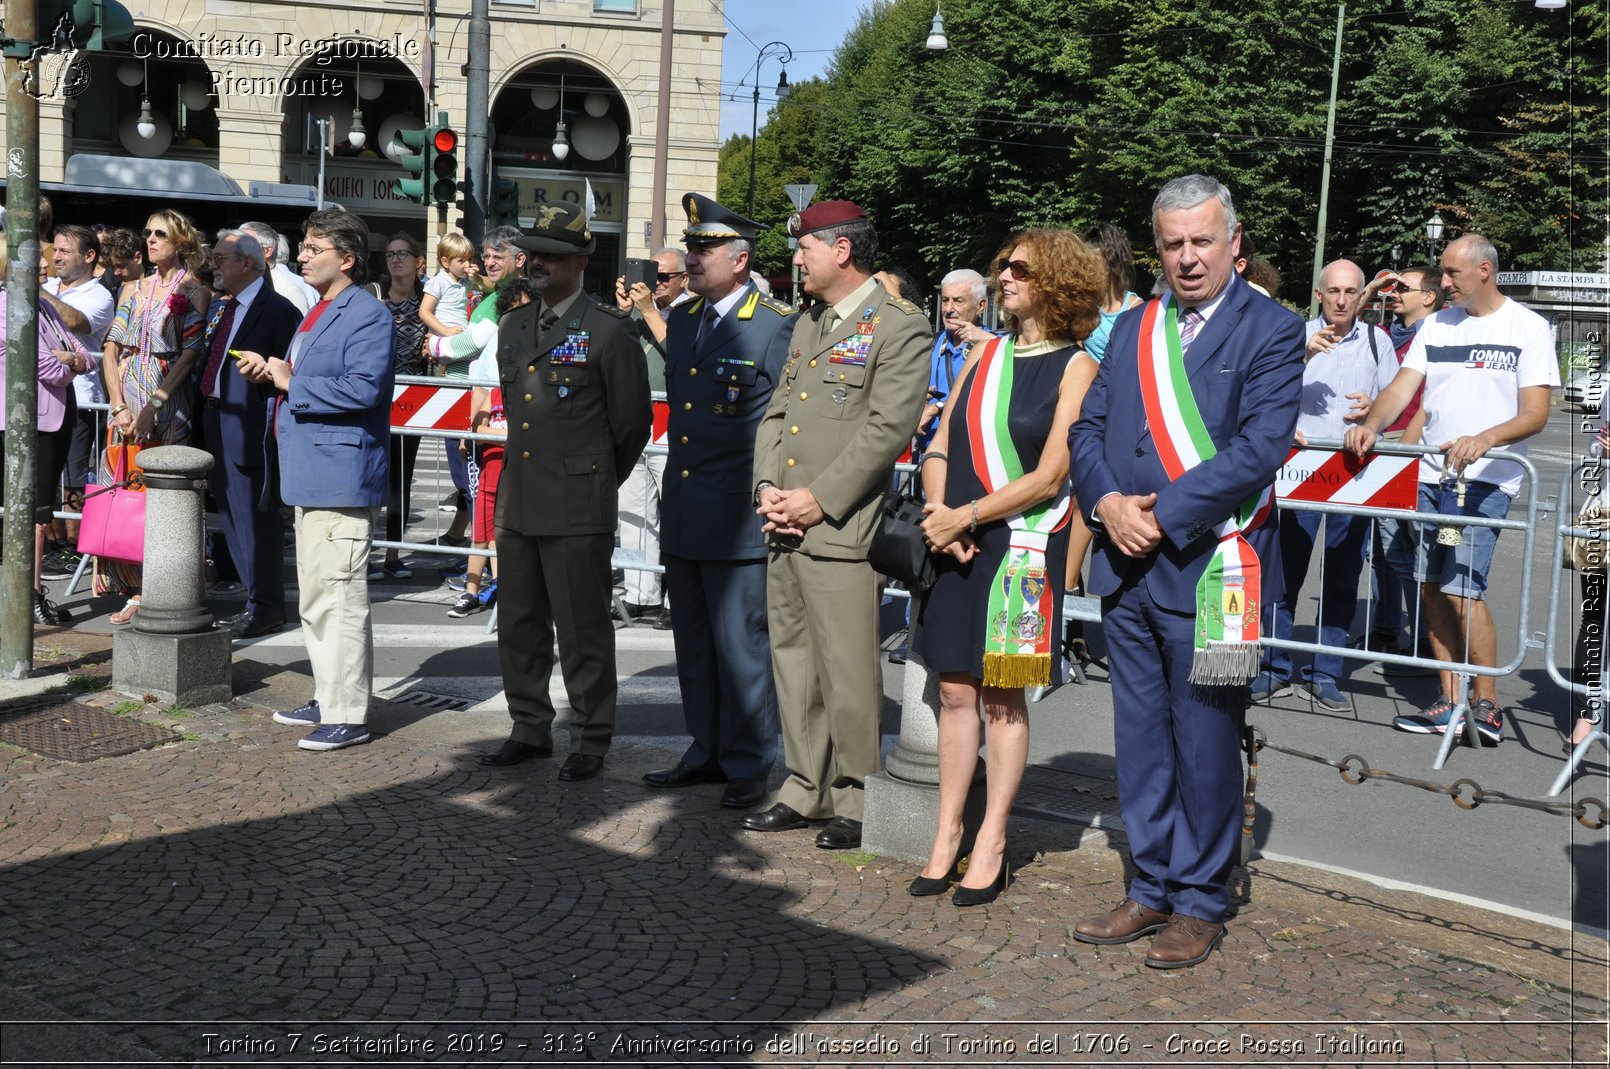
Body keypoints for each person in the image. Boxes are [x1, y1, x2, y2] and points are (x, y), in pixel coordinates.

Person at [1068, 174, 1303, 968]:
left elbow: (1260, 449)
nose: (1189, 258)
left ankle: (1201, 899)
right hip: (1127, 571)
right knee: (1139, 736)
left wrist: (1157, 515)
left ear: (1234, 240)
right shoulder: (1134, 326)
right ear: (1157, 248)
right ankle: (1152, 883)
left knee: (1206, 740)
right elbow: (1088, 428)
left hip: (1212, 571)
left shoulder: (1273, 328)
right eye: (1173, 244)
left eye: (1203, 240)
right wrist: (1106, 506)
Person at [910, 229, 1103, 906]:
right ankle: (946, 832)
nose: (1004, 277)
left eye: (1018, 268)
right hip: (954, 538)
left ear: (1056, 282)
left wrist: (965, 517)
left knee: (1000, 697)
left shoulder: (1078, 366)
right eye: (1002, 266)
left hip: (1018, 546)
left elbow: (1052, 476)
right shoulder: (984, 355)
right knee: (954, 692)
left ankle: (991, 837)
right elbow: (939, 442)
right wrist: (938, 512)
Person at [744, 200, 931, 849]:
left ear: (842, 250)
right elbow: (776, 415)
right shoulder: (809, 323)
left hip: (840, 525)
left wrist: (817, 499)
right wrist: (768, 487)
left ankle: (855, 793)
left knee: (848, 670)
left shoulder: (899, 326)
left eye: (805, 247)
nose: (796, 258)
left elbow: (887, 430)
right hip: (785, 522)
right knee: (793, 664)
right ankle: (804, 786)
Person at [1344, 234, 1558, 746]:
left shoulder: (1527, 328)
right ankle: (1450, 699)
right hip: (1429, 478)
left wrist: (1484, 439)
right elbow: (1401, 388)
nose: (1443, 284)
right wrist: (1374, 423)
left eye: (1452, 274)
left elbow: (1536, 414)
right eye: (1442, 274)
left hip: (1486, 481)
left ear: (1484, 271)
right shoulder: (1437, 326)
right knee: (1431, 587)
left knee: (1465, 593)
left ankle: (1485, 704)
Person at [479, 202, 652, 782]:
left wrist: (596, 479)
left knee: (581, 629)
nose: (538, 265)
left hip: (578, 503)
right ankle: (529, 727)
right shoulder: (514, 325)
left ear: (581, 261)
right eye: (533, 254)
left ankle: (590, 735)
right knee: (520, 624)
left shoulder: (609, 331)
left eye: (552, 256)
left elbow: (631, 426)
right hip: (521, 498)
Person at [640, 194, 795, 810]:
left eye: (704, 250)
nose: (692, 258)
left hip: (736, 514)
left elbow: (784, 426)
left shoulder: (773, 323)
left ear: (740, 257)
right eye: (692, 248)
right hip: (684, 506)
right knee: (695, 645)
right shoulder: (682, 320)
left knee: (742, 646)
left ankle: (752, 761)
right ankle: (704, 749)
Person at [239, 208, 395, 751]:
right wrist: (275, 370)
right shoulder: (321, 308)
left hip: (340, 476)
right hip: (313, 473)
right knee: (316, 596)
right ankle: (331, 694)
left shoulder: (367, 313)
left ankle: (348, 713)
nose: (301, 255)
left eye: (313, 247)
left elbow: (364, 389)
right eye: (303, 246)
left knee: (339, 597)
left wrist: (290, 380)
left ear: (346, 258)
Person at [1251, 259, 1395, 712]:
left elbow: (1401, 403)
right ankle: (1273, 667)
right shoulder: (1291, 335)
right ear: (1318, 294)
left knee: (1341, 577)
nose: (1340, 300)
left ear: (1361, 297)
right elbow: (1260, 394)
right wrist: (1303, 356)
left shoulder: (1378, 340)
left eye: (1350, 292)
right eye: (1333, 291)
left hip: (1354, 478)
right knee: (1283, 575)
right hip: (1297, 475)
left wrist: (1375, 410)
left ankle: (1326, 672)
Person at [98, 209, 212, 626]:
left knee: (159, 494)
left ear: (180, 242)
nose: (150, 240)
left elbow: (190, 355)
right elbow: (111, 348)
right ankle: (129, 584)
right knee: (123, 488)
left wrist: (152, 407)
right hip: (125, 400)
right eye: (147, 233)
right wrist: (118, 405)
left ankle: (160, 585)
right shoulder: (134, 288)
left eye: (160, 234)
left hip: (166, 403)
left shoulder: (195, 290)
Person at [199, 229, 302, 639]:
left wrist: (268, 373)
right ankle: (253, 599)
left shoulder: (277, 309)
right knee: (230, 515)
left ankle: (266, 606)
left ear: (247, 262)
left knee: (254, 520)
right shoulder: (225, 307)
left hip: (250, 427)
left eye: (222, 258)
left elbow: (290, 370)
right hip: (216, 419)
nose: (214, 265)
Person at [0, 247, 83, 625]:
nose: (46, 266)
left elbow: (84, 354)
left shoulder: (46, 308)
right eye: (38, 262)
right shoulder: (6, 307)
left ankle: (30, 594)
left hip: (54, 420)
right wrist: (68, 361)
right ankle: (28, 595)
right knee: (33, 512)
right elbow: (50, 368)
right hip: (27, 423)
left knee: (41, 510)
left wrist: (71, 357)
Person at [614, 246, 695, 622]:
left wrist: (647, 310)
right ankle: (640, 591)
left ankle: (675, 597)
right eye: (651, 274)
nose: (655, 284)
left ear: (683, 279)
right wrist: (623, 312)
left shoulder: (694, 310)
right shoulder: (638, 309)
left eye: (664, 277)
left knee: (676, 512)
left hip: (673, 422)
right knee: (633, 513)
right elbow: (612, 348)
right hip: (638, 419)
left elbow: (679, 354)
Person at [42, 225, 115, 577]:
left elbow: (76, 322)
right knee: (46, 475)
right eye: (54, 250)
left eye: (64, 251)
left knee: (72, 476)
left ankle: (72, 546)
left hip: (82, 399)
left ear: (88, 257)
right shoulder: (47, 286)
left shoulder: (98, 295)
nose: (55, 257)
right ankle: (50, 544)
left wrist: (34, 292)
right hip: (42, 396)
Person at [368, 232, 429, 581]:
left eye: (403, 253)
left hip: (415, 400)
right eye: (390, 254)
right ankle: (366, 550)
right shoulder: (373, 297)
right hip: (375, 396)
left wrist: (435, 346)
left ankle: (392, 554)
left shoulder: (428, 303)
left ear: (419, 262)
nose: (395, 259)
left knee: (399, 478)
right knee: (371, 474)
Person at [1081, 222, 1143, 364]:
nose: (1087, 269)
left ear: (1113, 263)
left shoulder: (1134, 310)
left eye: (1094, 262)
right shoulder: (1087, 304)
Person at [239, 222, 317, 315]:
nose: (236, 251)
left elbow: (298, 328)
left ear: (267, 251)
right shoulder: (239, 285)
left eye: (245, 245)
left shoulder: (288, 292)